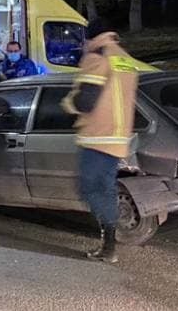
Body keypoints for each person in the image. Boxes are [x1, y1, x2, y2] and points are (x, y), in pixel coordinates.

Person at [61, 19, 140, 263]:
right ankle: (109, 247)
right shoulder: (124, 58)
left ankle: (109, 242)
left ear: (90, 37)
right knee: (103, 187)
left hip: (97, 135)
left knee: (89, 189)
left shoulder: (96, 56)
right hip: (118, 136)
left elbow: (85, 101)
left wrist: (68, 103)